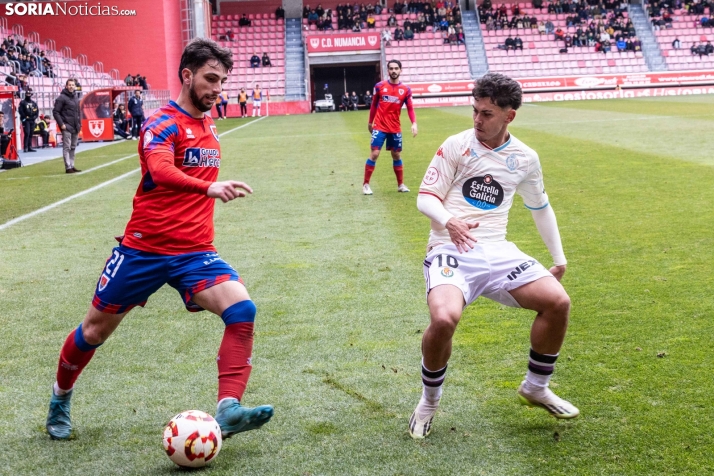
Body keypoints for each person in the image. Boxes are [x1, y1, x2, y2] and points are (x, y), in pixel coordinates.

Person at [44, 37, 274, 442]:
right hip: (143, 250)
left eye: (222, 81)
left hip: (195, 252)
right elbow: (160, 170)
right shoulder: (161, 123)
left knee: (242, 310)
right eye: (210, 79)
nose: (218, 89)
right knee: (94, 331)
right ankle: (60, 399)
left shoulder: (207, 123)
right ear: (187, 75)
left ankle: (229, 409)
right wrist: (208, 189)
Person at [408, 73, 578, 440]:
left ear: (509, 116)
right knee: (444, 319)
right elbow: (425, 197)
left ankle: (535, 387)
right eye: (474, 111)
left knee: (558, 302)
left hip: (498, 251)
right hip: (449, 248)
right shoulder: (457, 144)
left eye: (486, 113)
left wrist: (558, 257)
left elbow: (540, 207)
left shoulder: (525, 158)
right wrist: (449, 222)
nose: (477, 120)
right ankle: (429, 402)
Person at [364, 59, 417, 195]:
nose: (393, 71)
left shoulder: (405, 90)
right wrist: (370, 122)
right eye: (391, 68)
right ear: (388, 70)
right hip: (380, 126)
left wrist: (414, 123)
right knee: (375, 153)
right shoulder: (379, 86)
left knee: (396, 155)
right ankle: (366, 185)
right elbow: (374, 105)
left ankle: (400, 185)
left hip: (395, 127)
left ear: (400, 70)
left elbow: (410, 108)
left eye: (396, 68)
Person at [52, 79, 82, 173]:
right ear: (66, 86)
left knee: (73, 147)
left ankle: (72, 165)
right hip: (67, 126)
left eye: (73, 85)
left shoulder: (76, 97)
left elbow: (78, 112)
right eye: (69, 85)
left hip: (75, 126)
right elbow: (56, 112)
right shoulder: (61, 98)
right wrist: (62, 124)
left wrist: (79, 123)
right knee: (67, 147)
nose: (71, 86)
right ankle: (68, 167)